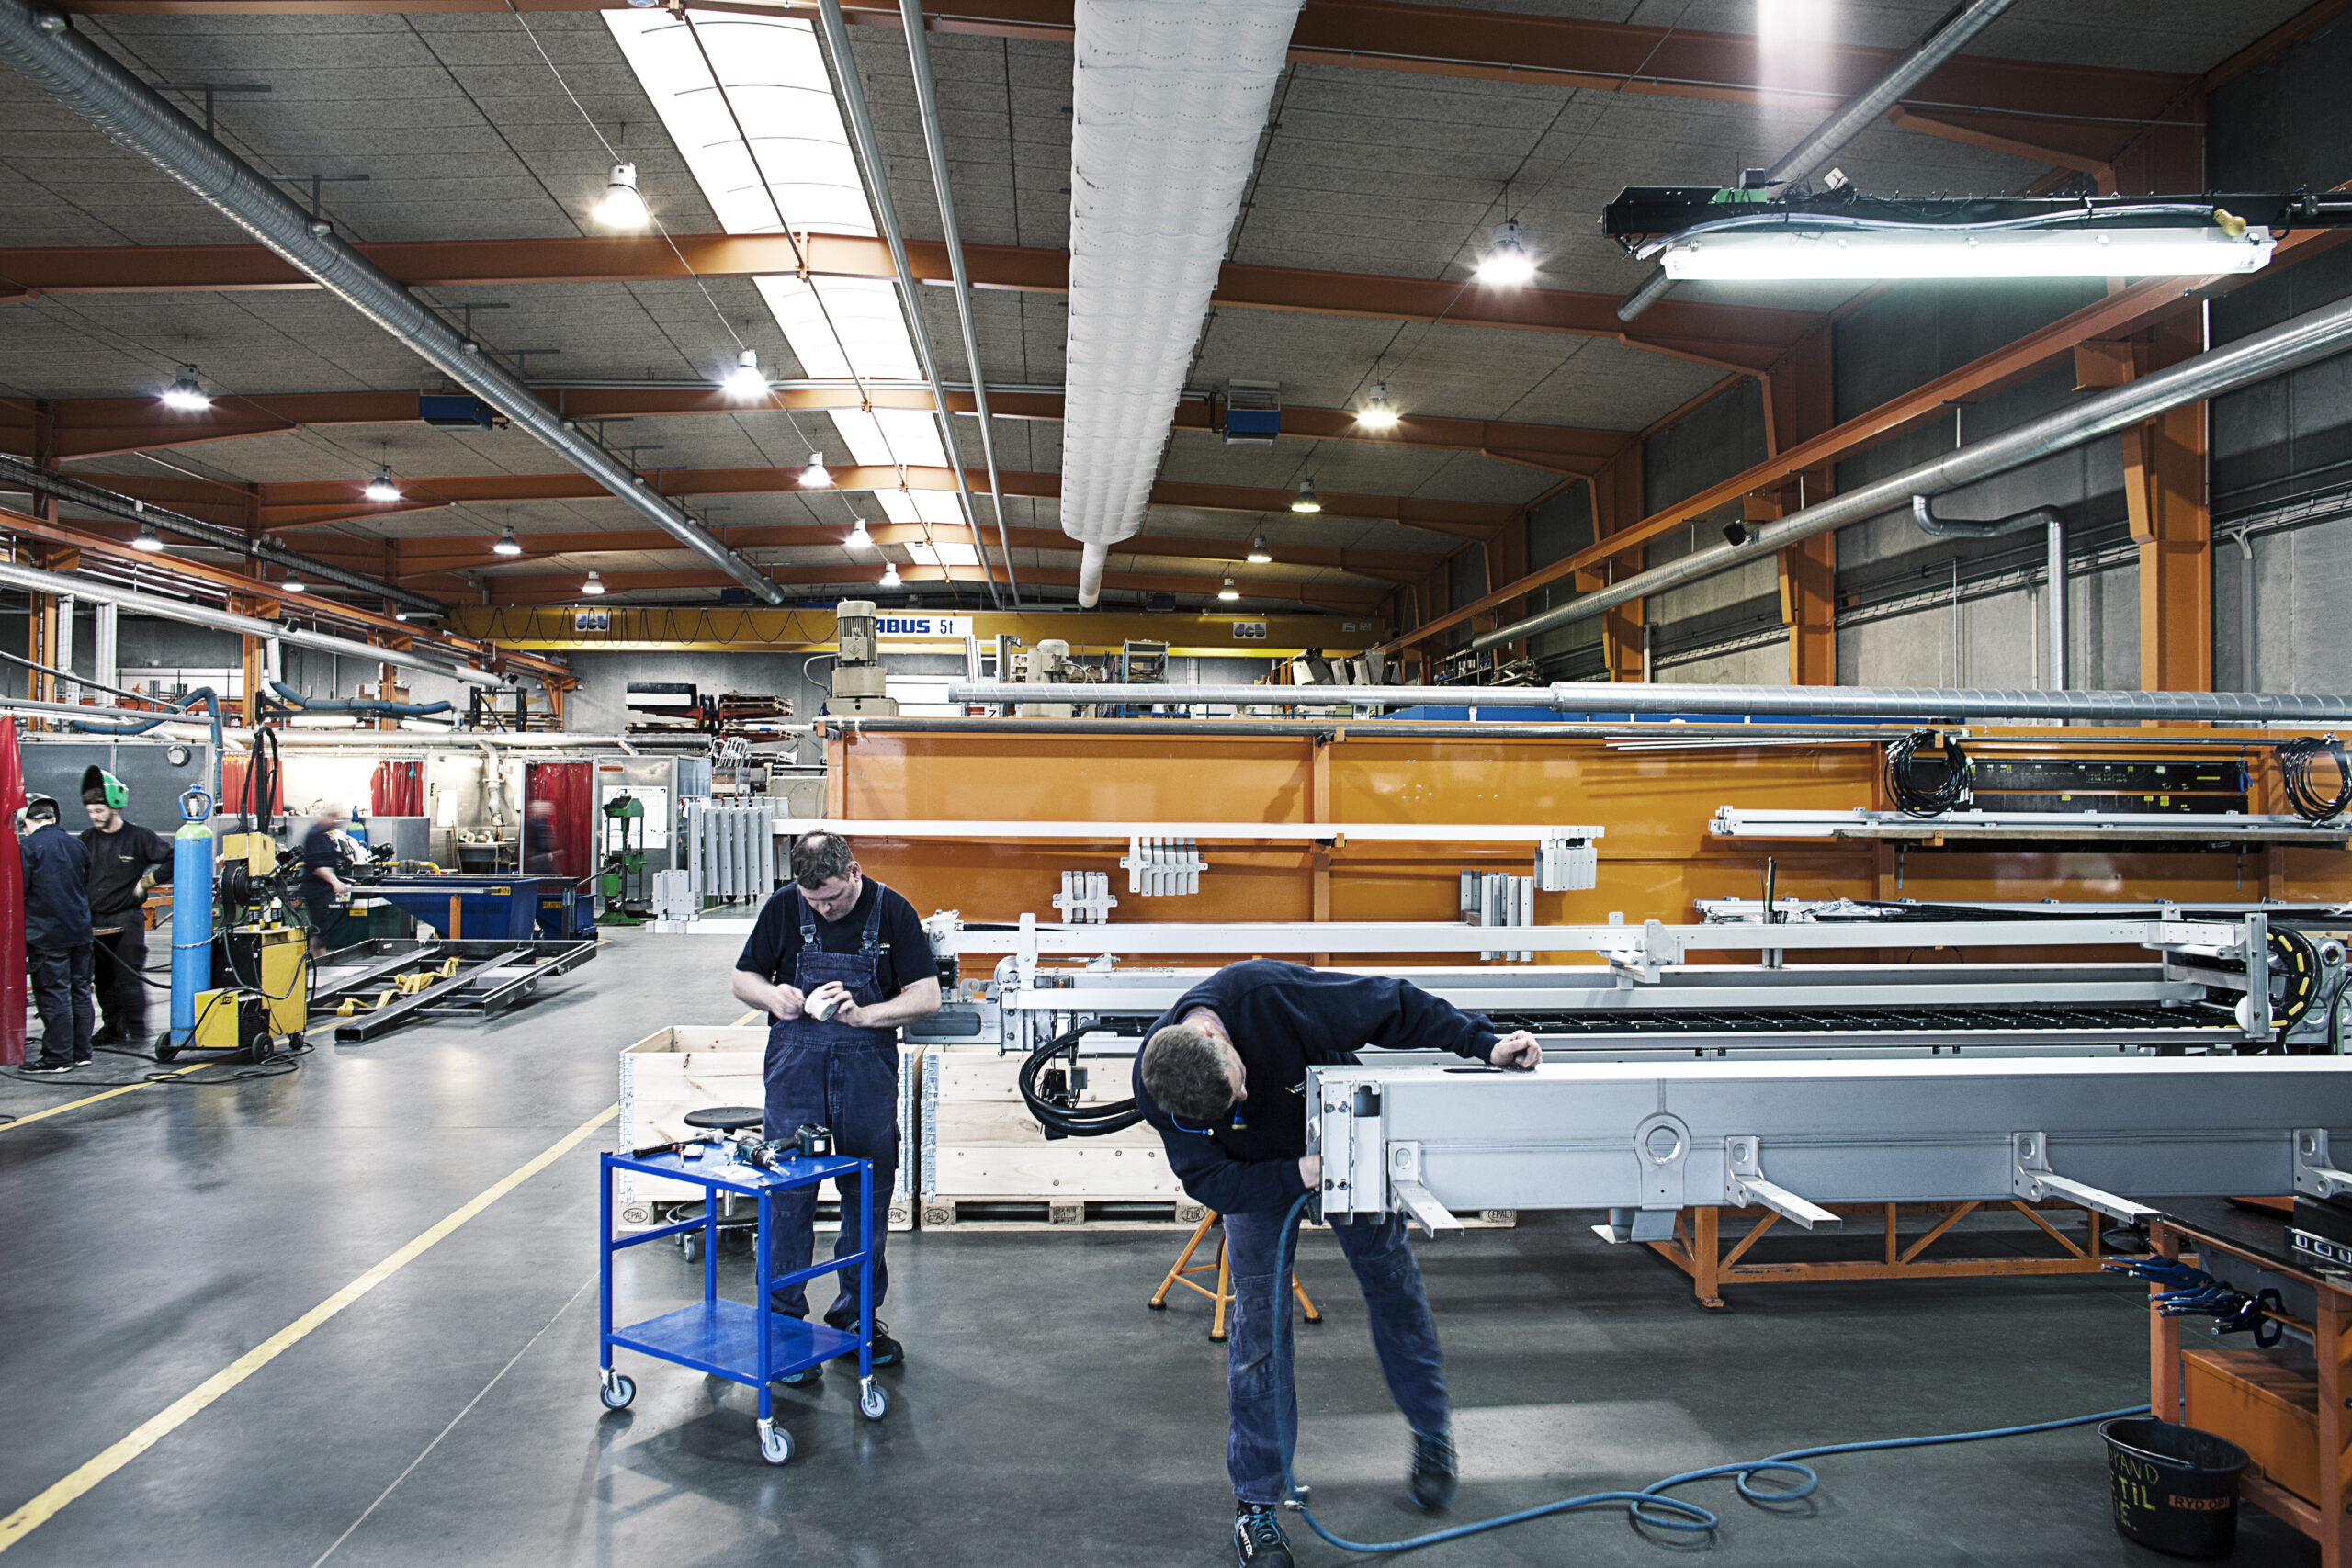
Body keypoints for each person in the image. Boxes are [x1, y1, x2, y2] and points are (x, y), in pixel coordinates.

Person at [1133, 959, 1544, 1568]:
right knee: (1259, 1329)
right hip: (1257, 1180)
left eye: (1237, 1082)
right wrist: (1294, 1174)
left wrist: (1482, 1042)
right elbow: (1212, 1181)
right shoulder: (1160, 1085)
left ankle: (1432, 1432)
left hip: (1345, 1134)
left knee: (1392, 1285)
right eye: (1232, 1102)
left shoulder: (1266, 996)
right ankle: (1257, 1504)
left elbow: (1393, 1002)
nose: (1243, 1096)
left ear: (1218, 1036)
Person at [729, 830, 939, 1379]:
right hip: (795, 1070)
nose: (823, 910)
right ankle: (784, 1326)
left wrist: (866, 1015)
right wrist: (772, 995)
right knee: (788, 1195)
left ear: (854, 871)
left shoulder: (893, 911)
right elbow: (742, 977)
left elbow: (927, 996)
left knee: (866, 1195)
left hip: (866, 1072)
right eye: (814, 901)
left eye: (833, 898)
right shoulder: (784, 906)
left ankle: (854, 1321)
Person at [79, 767, 174, 1046]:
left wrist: (147, 882)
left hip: (126, 918)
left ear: (115, 807)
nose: (95, 816)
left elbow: (173, 858)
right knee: (103, 978)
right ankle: (113, 1028)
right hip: (95, 919)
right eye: (90, 811)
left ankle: (138, 1032)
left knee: (128, 977)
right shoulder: (86, 840)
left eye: (99, 810)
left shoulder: (139, 837)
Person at [19, 794, 96, 1074]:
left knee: (54, 995)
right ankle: (81, 1052)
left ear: (28, 822)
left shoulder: (28, 847)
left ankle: (57, 1057)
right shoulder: (77, 845)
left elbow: (19, 890)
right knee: (80, 990)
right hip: (80, 932)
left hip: (47, 936)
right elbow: (85, 883)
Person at [301, 802, 354, 961]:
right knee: (318, 931)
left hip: (323, 892)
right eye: (333, 818)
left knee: (320, 931)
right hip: (316, 892)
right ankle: (317, 963)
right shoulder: (315, 835)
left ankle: (317, 961)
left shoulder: (324, 835)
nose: (335, 822)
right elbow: (319, 867)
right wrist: (335, 882)